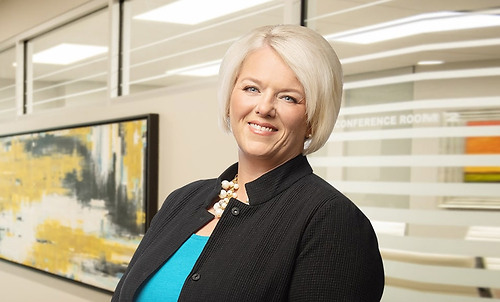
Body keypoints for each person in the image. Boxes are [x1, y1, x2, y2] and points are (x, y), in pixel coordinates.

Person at [112, 24, 384, 302]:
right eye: (252, 88)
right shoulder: (183, 200)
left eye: (288, 97)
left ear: (313, 119)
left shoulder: (332, 221)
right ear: (230, 99)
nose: (264, 108)